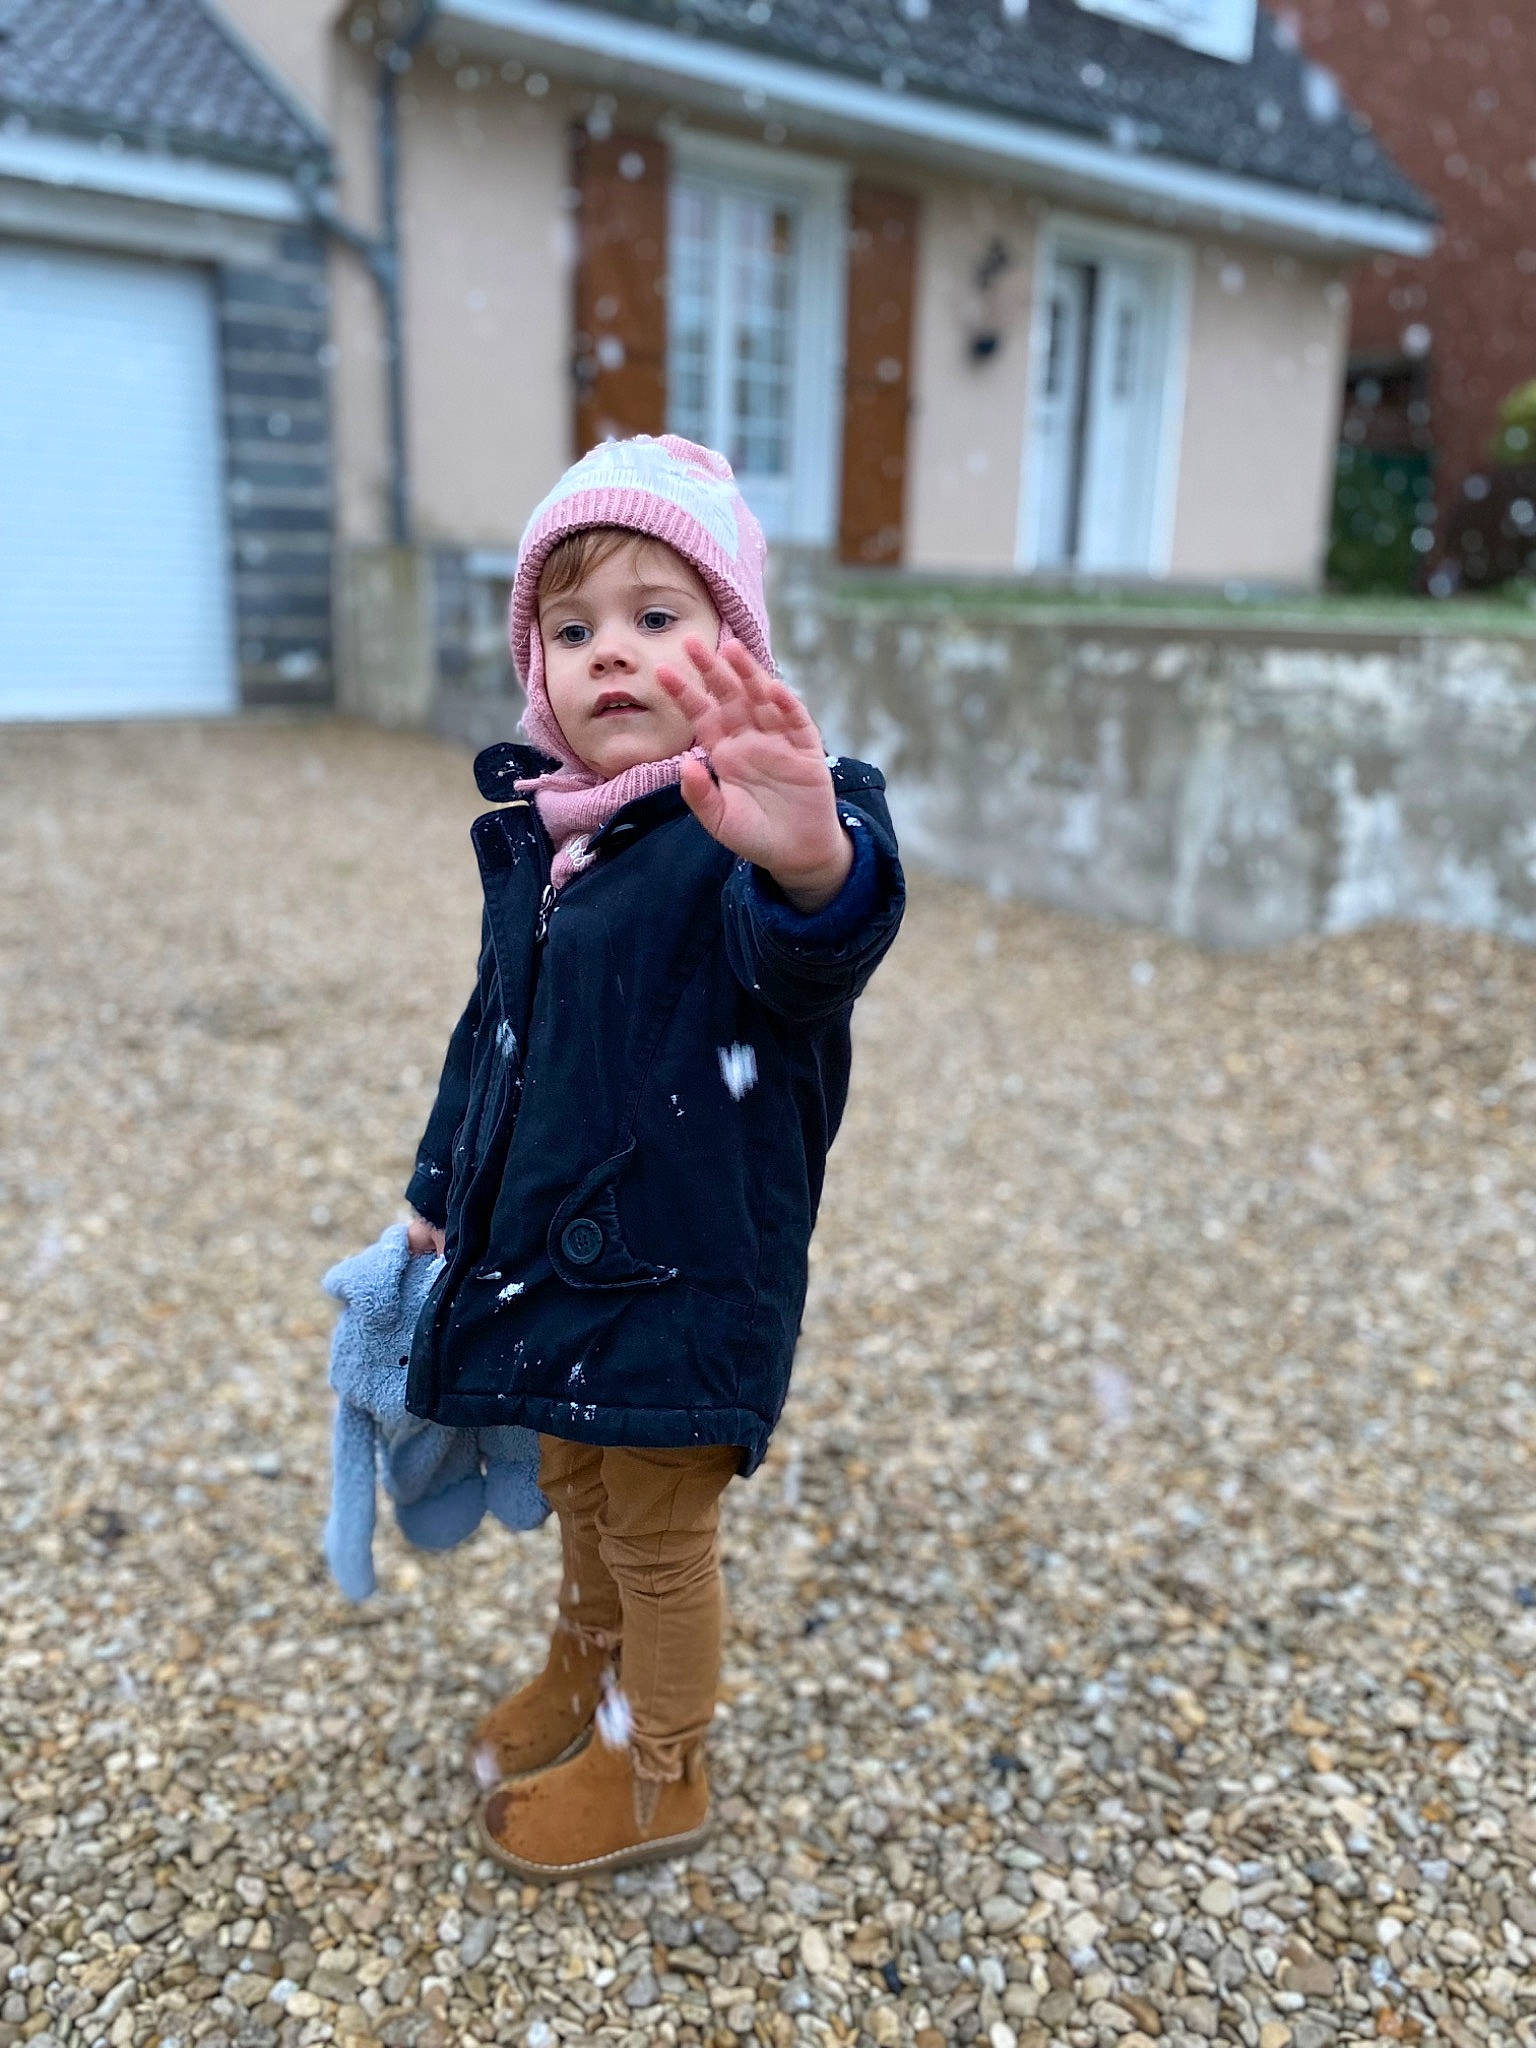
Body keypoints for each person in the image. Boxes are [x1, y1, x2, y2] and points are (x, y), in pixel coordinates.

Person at [401, 433, 904, 1880]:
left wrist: (812, 856)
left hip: (687, 1268)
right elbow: (491, 1034)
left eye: (656, 617)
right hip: (557, 1266)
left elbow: (811, 955)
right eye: (574, 628)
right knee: (579, 1486)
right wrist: (444, 1190)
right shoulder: (557, 843)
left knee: (661, 1532)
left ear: (732, 648)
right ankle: (584, 1671)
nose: (609, 653)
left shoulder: (749, 827)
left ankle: (659, 1766)